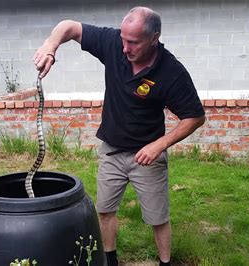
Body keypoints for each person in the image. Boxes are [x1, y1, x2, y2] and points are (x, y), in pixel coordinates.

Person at [34, 6, 205, 266]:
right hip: (111, 150)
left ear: (154, 38)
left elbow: (194, 116)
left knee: (157, 218)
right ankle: (109, 260)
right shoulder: (114, 44)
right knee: (105, 210)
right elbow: (69, 26)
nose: (125, 48)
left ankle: (165, 262)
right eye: (124, 39)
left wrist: (159, 145)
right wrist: (50, 46)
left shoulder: (171, 72)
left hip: (146, 156)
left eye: (133, 42)